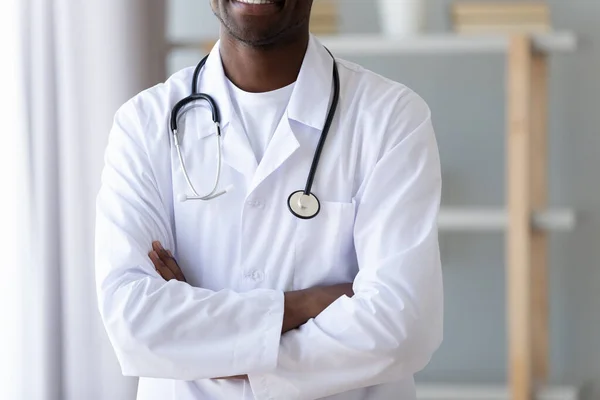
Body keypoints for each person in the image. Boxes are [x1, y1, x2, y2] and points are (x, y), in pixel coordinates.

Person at [94, 0, 444, 399]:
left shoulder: (390, 118)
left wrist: (209, 349)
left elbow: (401, 326)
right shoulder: (143, 123)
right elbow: (134, 322)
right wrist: (306, 303)